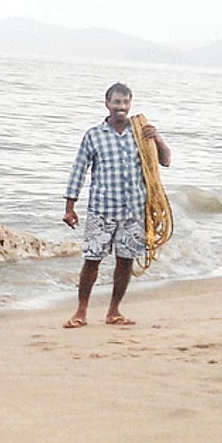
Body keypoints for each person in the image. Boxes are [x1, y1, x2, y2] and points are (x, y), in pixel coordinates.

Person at [62, 82, 171, 329]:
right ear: (107, 104)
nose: (121, 107)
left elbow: (165, 162)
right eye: (116, 102)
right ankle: (81, 312)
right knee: (92, 260)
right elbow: (78, 171)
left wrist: (158, 138)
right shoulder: (94, 135)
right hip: (102, 210)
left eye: (125, 102)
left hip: (133, 210)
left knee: (125, 261)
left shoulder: (141, 134)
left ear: (130, 104)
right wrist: (70, 207)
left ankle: (114, 311)